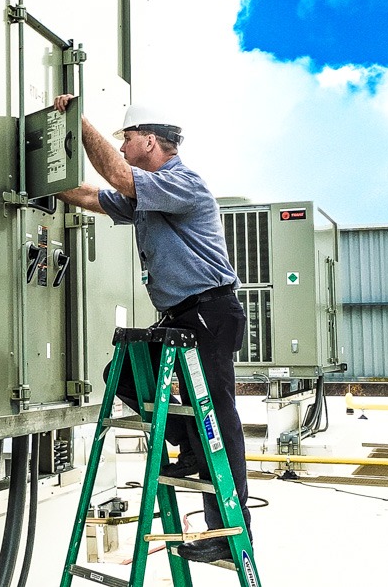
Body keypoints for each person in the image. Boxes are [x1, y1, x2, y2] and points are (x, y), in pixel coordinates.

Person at [53, 94, 250, 564]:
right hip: (180, 317)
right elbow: (91, 196)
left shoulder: (182, 184)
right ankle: (188, 444)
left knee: (219, 418)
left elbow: (119, 179)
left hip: (209, 313)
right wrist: (40, 180)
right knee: (120, 376)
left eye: (126, 139)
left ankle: (227, 531)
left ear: (149, 140)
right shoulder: (147, 191)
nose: (122, 147)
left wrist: (79, 123)